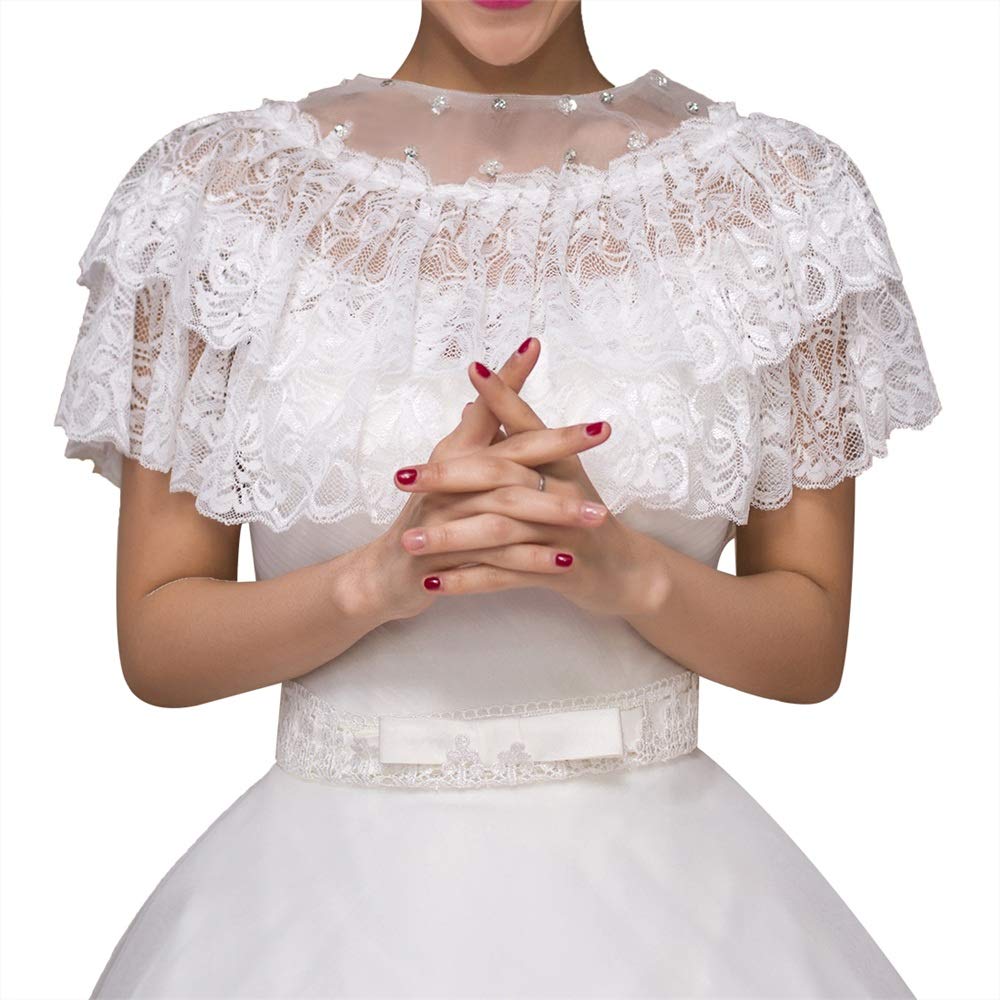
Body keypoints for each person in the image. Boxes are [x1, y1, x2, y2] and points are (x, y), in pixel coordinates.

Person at [54, 1, 942, 996]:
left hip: (675, 909)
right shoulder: (213, 196)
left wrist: (626, 571)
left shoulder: (780, 199)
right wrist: (375, 582)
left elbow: (808, 646)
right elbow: (161, 643)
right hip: (319, 903)